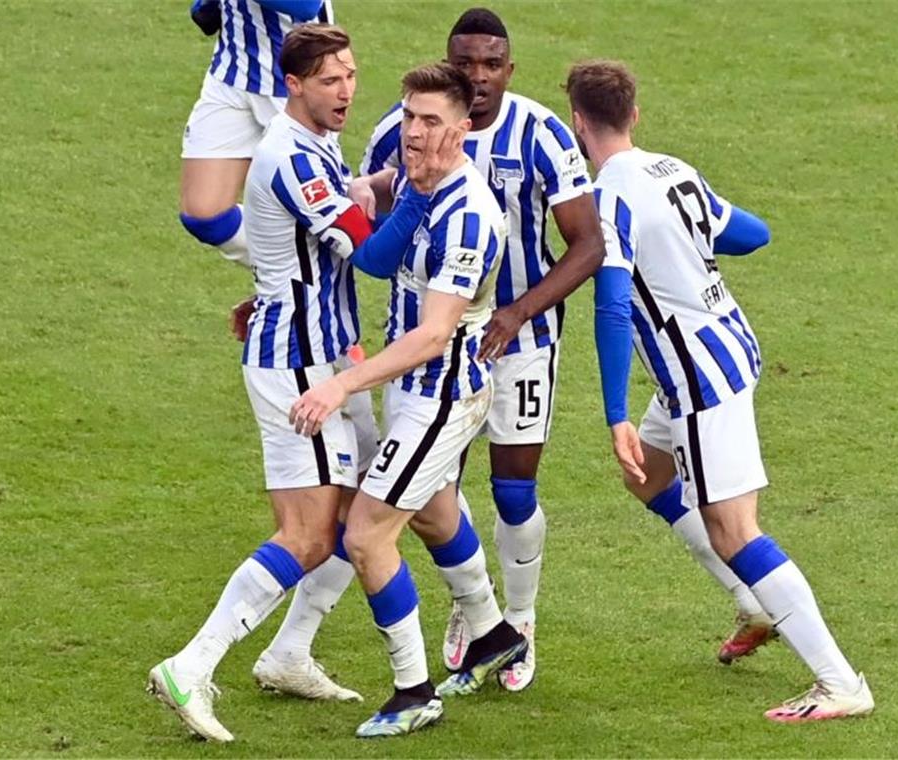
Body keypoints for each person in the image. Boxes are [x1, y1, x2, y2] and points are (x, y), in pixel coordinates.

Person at [259, 6, 606, 695]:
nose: (477, 76)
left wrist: (516, 310)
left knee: (509, 490)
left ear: (510, 68)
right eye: (464, 63)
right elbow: (365, 234)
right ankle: (478, 623)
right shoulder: (402, 126)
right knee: (423, 497)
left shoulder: (540, 133)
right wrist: (284, 287)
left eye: (490, 64)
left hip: (516, 339)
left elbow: (588, 243)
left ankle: (516, 620)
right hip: (426, 353)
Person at [146, 24, 457, 743]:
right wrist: (420, 188)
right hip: (297, 366)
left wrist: (380, 186)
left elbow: (312, 234)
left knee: (360, 515)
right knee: (312, 533)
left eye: (350, 74)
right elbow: (374, 256)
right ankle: (191, 666)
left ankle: (288, 652)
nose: (346, 90)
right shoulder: (293, 156)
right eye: (329, 80)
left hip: (322, 352)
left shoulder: (312, 144)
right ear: (293, 86)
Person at [568, 58, 875, 722]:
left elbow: (614, 305)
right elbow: (752, 234)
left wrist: (615, 411)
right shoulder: (672, 169)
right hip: (728, 346)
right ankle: (756, 602)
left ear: (576, 123)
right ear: (634, 115)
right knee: (647, 475)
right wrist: (687, 245)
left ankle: (839, 681)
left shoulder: (610, 196)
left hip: (699, 378)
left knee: (734, 529)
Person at [289, 62, 527, 737]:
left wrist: (339, 383)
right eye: (408, 117)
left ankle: (412, 690)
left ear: (462, 128)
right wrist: (404, 191)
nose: (413, 132)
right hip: (417, 393)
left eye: (430, 122)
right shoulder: (424, 189)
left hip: (441, 396)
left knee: (366, 535)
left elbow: (430, 336)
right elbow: (374, 263)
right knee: (430, 514)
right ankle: (490, 636)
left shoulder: (469, 217)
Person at [178, 0, 334, 266]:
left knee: (322, 216)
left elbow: (306, 5)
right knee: (204, 215)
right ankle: (295, 273)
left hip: (294, 84)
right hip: (231, 75)